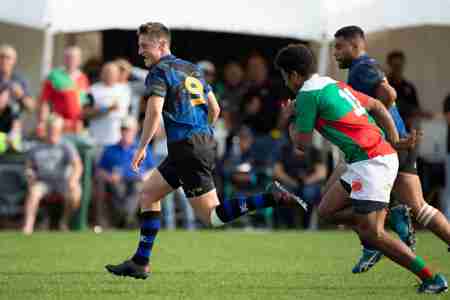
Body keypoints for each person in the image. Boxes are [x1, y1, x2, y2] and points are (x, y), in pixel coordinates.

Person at [105, 22, 302, 279]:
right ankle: (140, 263)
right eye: (139, 45)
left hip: (188, 148)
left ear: (162, 44)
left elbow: (154, 111)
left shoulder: (159, 71)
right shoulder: (192, 69)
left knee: (213, 218)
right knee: (148, 194)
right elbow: (215, 109)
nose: (140, 51)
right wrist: (200, 134)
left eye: (144, 45)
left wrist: (142, 147)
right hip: (192, 146)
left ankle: (271, 198)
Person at [276, 43, 448, 293]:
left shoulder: (306, 96)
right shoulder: (332, 84)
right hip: (368, 159)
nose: (285, 81)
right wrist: (394, 140)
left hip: (372, 163)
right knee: (326, 211)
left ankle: (431, 278)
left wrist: (290, 116)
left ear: (292, 74)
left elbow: (301, 144)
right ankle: (386, 215)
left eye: (284, 75)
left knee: (373, 235)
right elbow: (378, 106)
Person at [333, 25, 450, 273]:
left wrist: (381, 127)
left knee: (330, 206)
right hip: (392, 145)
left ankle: (377, 236)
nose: (335, 53)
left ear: (355, 46)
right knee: (421, 208)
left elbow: (388, 93)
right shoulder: (365, 66)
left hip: (383, 148)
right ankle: (387, 222)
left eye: (339, 47)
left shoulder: (362, 68)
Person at [22, 114, 83, 235]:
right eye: (50, 129)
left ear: (60, 131)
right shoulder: (36, 147)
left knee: (75, 193)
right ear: (46, 129)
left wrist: (73, 180)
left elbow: (78, 165)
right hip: (43, 181)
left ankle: (64, 222)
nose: (53, 132)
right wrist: (29, 174)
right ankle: (28, 226)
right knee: (34, 192)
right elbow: (28, 166)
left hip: (63, 181)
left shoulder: (66, 145)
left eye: (56, 129)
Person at [96, 116, 154, 228]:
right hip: (117, 182)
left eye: (128, 129)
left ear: (135, 130)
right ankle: (127, 219)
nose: (125, 132)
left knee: (137, 188)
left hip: (137, 181)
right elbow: (100, 170)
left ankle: (125, 218)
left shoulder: (142, 148)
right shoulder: (110, 149)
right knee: (118, 189)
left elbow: (153, 168)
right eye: (123, 129)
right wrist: (109, 176)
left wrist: (145, 176)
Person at [38, 46, 90, 134]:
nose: (71, 60)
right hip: (59, 126)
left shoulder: (83, 78)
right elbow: (44, 101)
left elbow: (85, 104)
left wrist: (83, 122)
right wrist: (42, 122)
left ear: (79, 60)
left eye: (74, 57)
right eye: (68, 57)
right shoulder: (54, 76)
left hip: (77, 127)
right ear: (64, 59)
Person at [84, 62, 131, 151]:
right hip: (96, 140)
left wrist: (101, 108)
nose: (109, 75)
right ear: (102, 74)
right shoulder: (92, 90)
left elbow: (122, 112)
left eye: (112, 73)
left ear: (117, 75)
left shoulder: (125, 89)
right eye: (107, 72)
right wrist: (106, 109)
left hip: (118, 141)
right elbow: (85, 113)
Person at [386, 50, 432, 130]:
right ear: (389, 65)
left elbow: (415, 107)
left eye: (399, 65)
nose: (397, 68)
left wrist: (422, 113)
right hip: (389, 128)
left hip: (407, 130)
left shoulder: (409, 87)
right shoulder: (385, 85)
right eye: (395, 65)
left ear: (403, 64)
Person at [0, 44, 34, 113]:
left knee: (16, 122)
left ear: (14, 61)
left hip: (12, 120)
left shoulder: (20, 79)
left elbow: (31, 107)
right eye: (2, 57)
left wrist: (21, 95)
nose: (4, 61)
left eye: (8, 58)